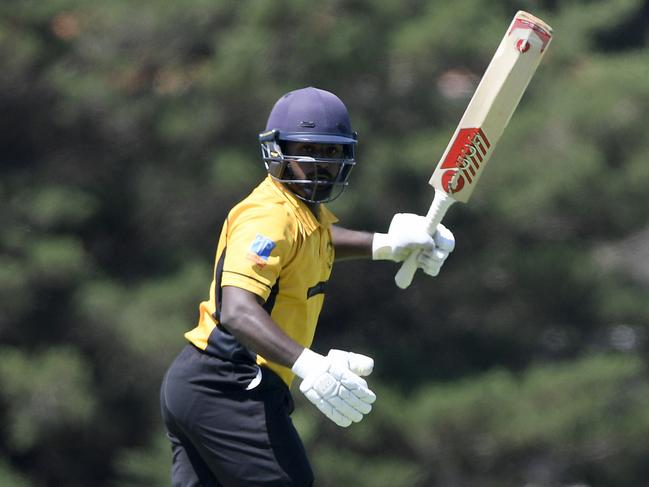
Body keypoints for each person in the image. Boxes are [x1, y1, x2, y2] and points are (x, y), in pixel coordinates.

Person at [159, 86, 455, 486]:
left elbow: (319, 241)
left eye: (332, 153)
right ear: (277, 151)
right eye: (309, 150)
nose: (321, 165)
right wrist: (309, 363)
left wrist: (387, 245)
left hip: (203, 386)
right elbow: (238, 310)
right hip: (227, 381)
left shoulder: (304, 215)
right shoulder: (268, 215)